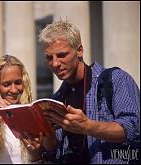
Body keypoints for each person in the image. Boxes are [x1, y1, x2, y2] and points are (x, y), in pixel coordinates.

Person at [38, 19, 140, 164]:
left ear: (79, 50)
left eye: (61, 55)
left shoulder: (116, 79)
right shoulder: (57, 99)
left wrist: (88, 126)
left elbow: (134, 128)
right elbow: (53, 153)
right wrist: (47, 137)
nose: (55, 63)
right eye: (49, 57)